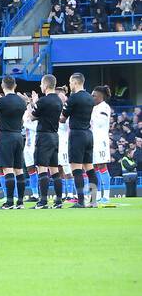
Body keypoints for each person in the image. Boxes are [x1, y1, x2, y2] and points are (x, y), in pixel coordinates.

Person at [0, 77, 30, 209]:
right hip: (18, 136)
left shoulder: (1, 101)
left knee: (7, 169)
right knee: (19, 170)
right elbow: (23, 120)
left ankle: (9, 202)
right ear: (15, 85)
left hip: (6, 136)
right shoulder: (21, 101)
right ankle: (20, 202)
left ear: (2, 85)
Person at [62, 72, 96, 208]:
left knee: (76, 169)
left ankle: (81, 201)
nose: (70, 85)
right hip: (88, 134)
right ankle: (93, 201)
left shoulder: (73, 98)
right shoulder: (90, 98)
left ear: (75, 82)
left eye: (70, 83)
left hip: (77, 134)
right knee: (89, 168)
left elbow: (63, 118)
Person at [31, 74, 64, 209]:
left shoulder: (43, 101)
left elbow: (32, 117)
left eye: (41, 84)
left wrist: (33, 102)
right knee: (54, 169)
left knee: (42, 168)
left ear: (45, 85)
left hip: (43, 136)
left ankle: (43, 201)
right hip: (54, 136)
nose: (40, 86)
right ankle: (58, 200)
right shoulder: (58, 100)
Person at [91, 85, 113, 204]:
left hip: (101, 141)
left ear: (101, 96)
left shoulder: (104, 107)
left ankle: (107, 195)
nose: (92, 97)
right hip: (93, 140)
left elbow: (100, 122)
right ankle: (98, 195)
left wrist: (90, 115)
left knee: (102, 166)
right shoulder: (94, 107)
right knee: (94, 167)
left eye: (94, 95)